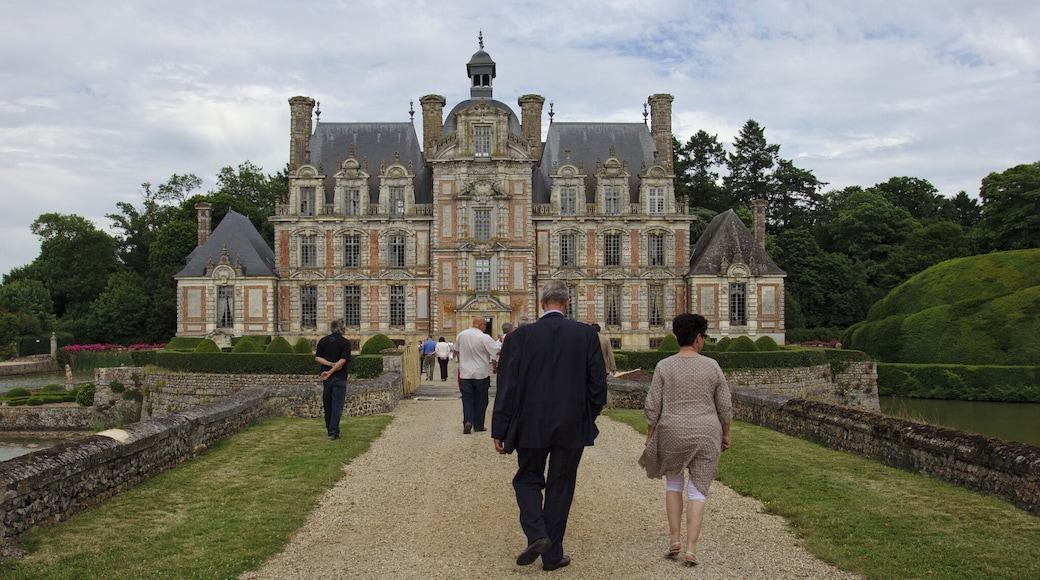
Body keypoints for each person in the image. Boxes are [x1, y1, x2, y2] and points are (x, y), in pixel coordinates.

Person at [492, 280, 608, 572]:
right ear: (567, 304)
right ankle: (552, 555)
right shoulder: (585, 334)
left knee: (527, 479)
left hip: (529, 423)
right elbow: (598, 387)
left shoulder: (519, 338)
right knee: (561, 484)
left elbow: (507, 387)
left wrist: (500, 428)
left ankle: (537, 534)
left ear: (541, 304)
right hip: (571, 424)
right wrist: (586, 415)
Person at [638, 313, 732, 567]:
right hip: (705, 431)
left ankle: (674, 539)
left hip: (672, 429)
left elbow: (652, 405)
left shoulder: (664, 366)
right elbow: (724, 404)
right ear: (699, 338)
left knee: (674, 485)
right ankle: (691, 548)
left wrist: (649, 434)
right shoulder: (711, 366)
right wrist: (726, 432)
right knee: (698, 489)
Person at [454, 316, 501, 434]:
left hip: (465, 373)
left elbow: (456, 350)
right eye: (485, 325)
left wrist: (461, 363)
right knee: (481, 400)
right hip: (481, 373)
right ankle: (479, 425)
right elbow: (496, 352)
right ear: (480, 325)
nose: (485, 327)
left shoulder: (461, 335)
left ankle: (467, 421)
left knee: (467, 399)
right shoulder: (484, 337)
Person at [315, 319, 353, 441]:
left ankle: (330, 429)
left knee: (328, 405)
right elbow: (342, 362)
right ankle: (334, 432)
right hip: (339, 378)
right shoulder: (345, 343)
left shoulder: (323, 341)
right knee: (337, 405)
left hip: (326, 379)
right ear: (343, 329)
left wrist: (329, 366)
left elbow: (317, 358)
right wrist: (332, 369)